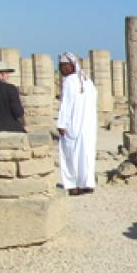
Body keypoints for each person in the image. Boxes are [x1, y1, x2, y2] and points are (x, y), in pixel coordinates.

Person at [56, 52, 98, 195]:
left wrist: (62, 123)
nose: (61, 69)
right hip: (88, 125)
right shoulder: (87, 80)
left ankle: (73, 185)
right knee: (86, 154)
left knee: (70, 154)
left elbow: (66, 104)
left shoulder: (69, 81)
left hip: (73, 124)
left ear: (72, 66)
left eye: (64, 66)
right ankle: (87, 183)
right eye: (60, 66)